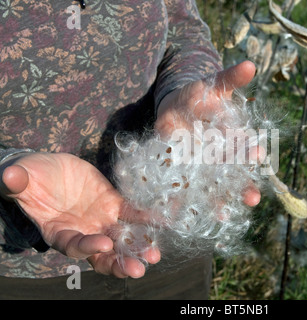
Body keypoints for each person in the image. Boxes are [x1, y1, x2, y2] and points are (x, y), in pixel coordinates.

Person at [0, 0, 259, 299]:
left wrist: (185, 93)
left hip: (171, 227)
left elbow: (182, 29)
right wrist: (9, 163)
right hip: (30, 275)